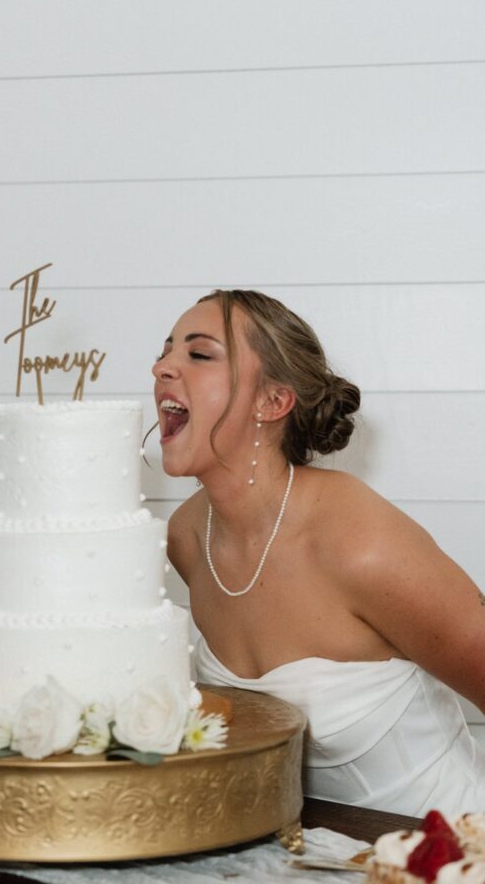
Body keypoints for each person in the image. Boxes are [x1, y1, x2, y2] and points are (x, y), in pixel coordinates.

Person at [152, 288, 485, 816]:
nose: (162, 367)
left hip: (453, 846)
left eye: (199, 354)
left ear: (272, 402)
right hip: (305, 854)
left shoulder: (360, 542)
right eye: (165, 351)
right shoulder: (187, 538)